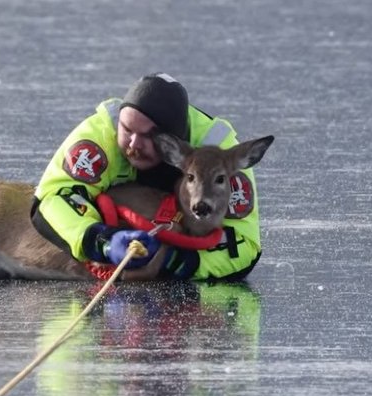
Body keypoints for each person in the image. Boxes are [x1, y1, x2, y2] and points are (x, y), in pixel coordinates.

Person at [30, 73, 263, 280]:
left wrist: (177, 261)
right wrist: (103, 242)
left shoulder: (219, 153)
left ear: (172, 143)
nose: (133, 145)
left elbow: (243, 244)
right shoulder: (100, 134)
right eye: (127, 130)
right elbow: (53, 198)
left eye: (147, 136)